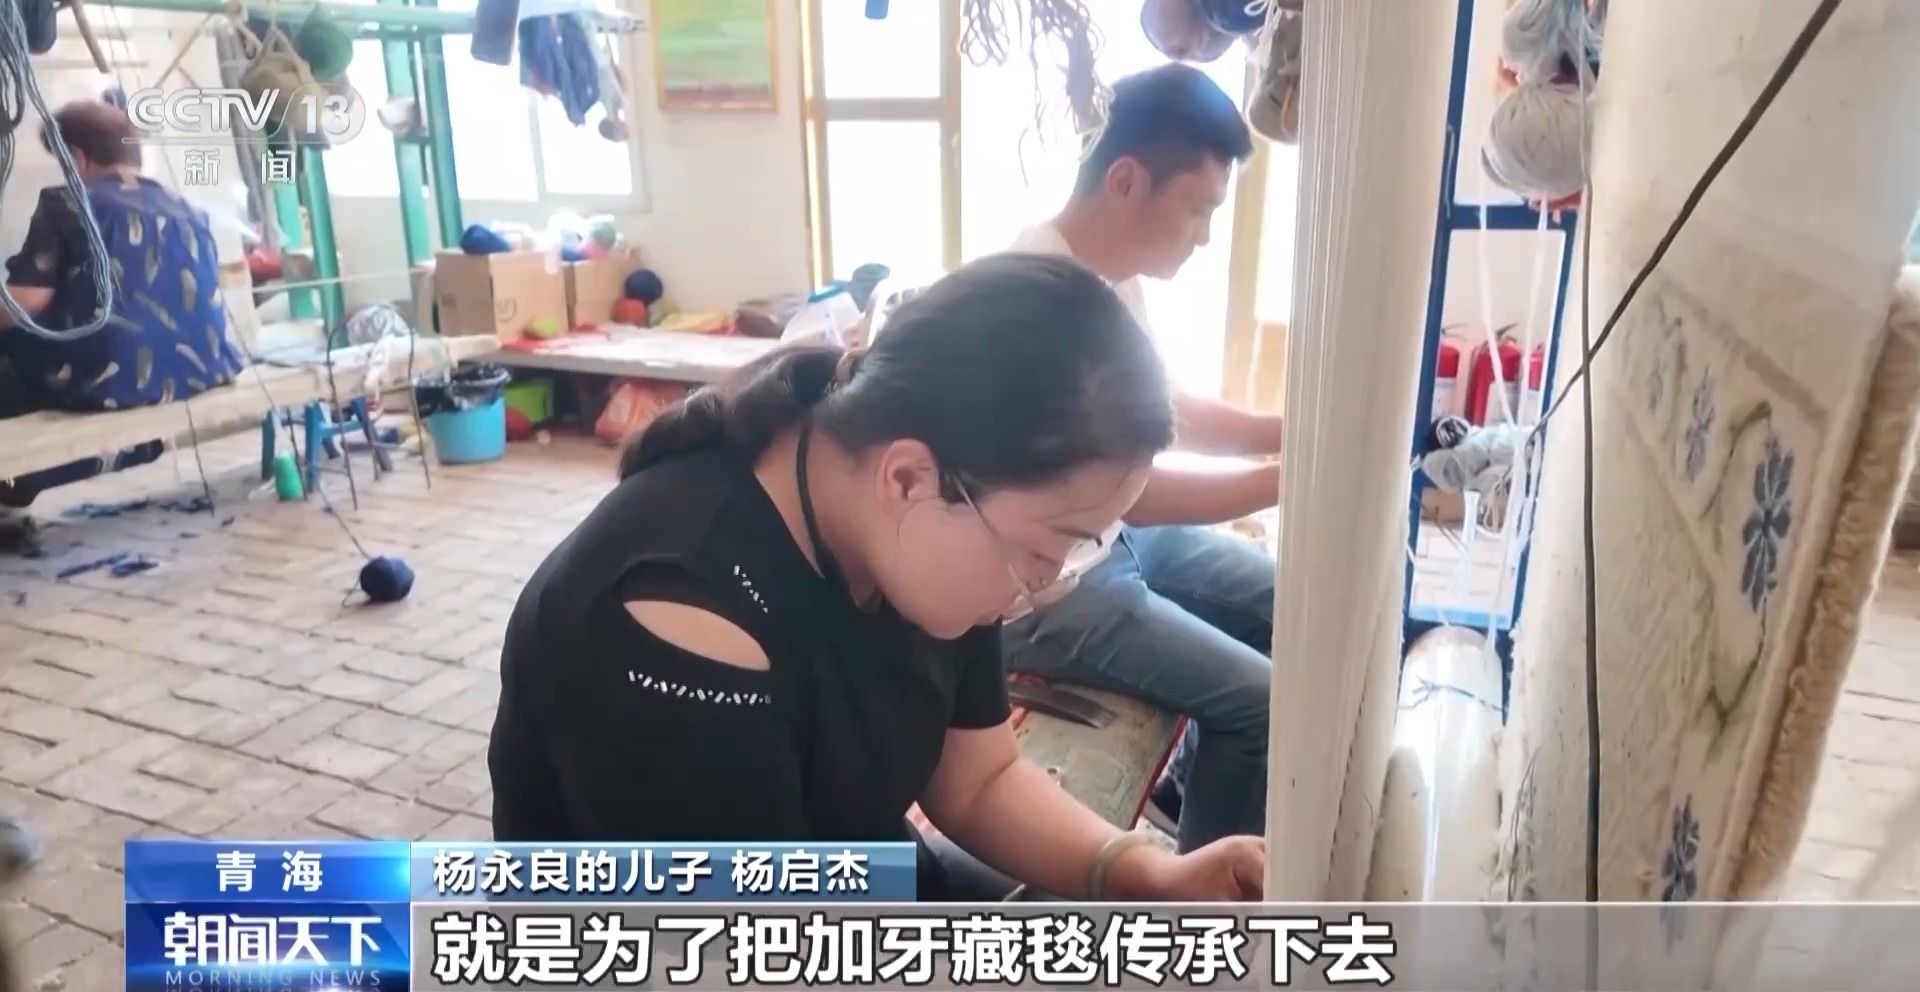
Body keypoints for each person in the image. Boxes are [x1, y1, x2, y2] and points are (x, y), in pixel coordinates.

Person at [489, 254, 1265, 901]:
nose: (1038, 584)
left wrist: (1145, 872)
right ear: (907, 479)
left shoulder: (925, 528)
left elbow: (980, 779)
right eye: (1043, 551)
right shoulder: (676, 616)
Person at [1003, 63, 1282, 853]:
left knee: (1287, 601)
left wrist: (1287, 434)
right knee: (1263, 702)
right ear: (1126, 181)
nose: (1204, 235)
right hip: (1046, 588)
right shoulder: (1039, 300)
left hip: (1110, 542)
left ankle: (1197, 786)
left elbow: (1167, 412)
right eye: (1197, 209)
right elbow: (1136, 493)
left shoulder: (1111, 276)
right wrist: (1282, 482)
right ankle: (1207, 892)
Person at [0, 100, 243, 524]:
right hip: (199, 372)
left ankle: (19, 473)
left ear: (78, 157)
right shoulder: (186, 208)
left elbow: (25, 303)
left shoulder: (68, 203)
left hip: (109, 381)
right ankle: (131, 449)